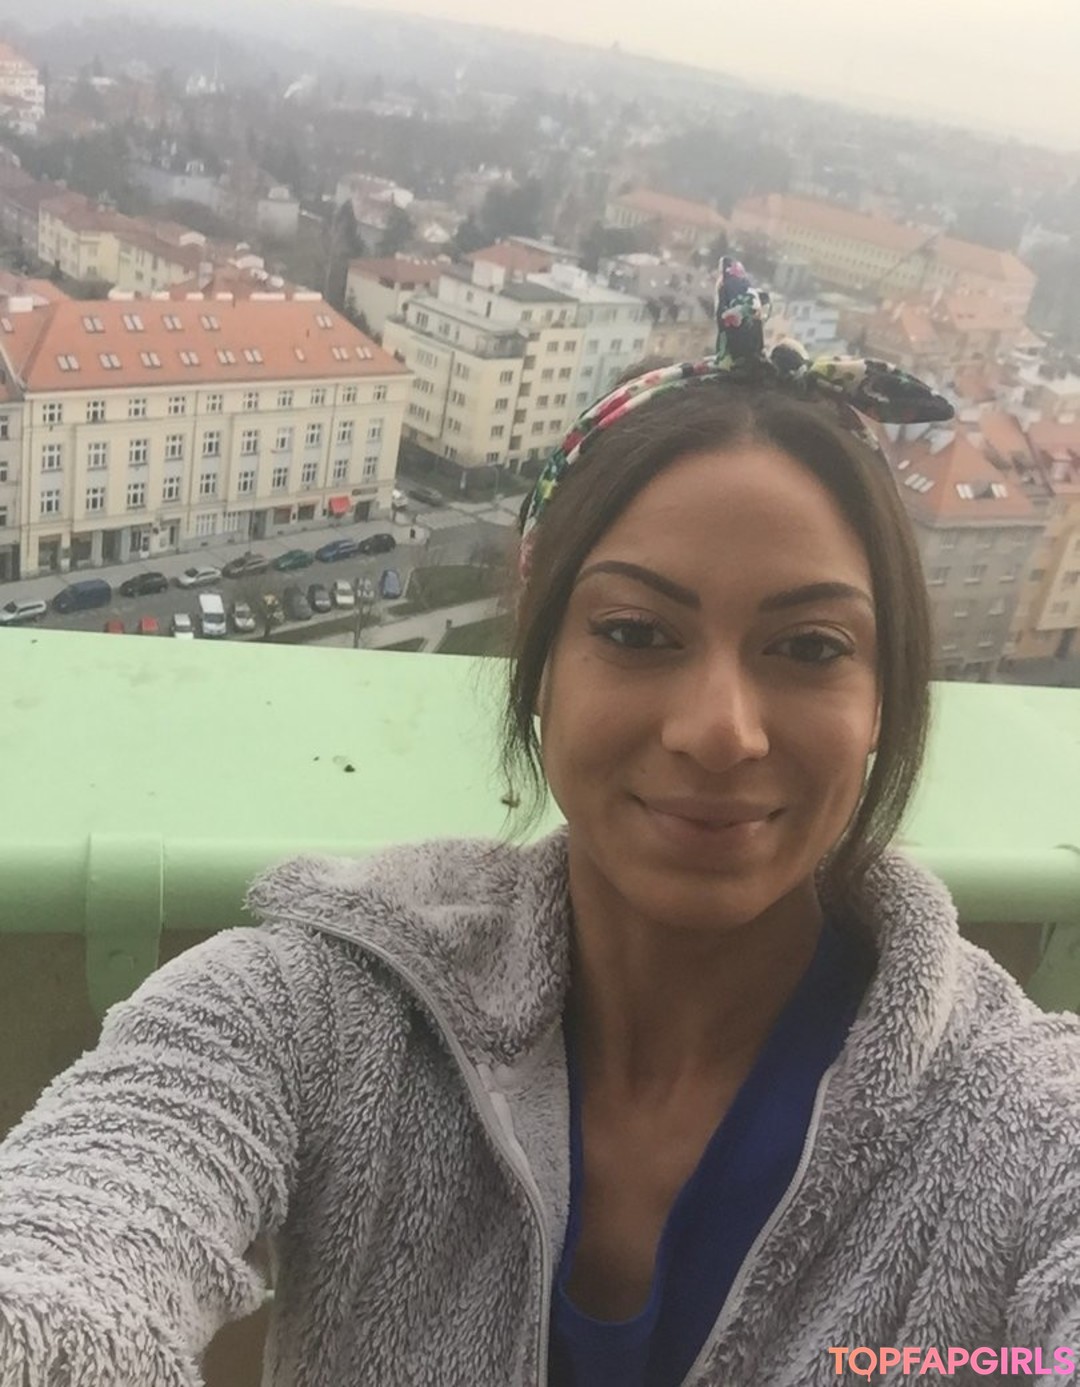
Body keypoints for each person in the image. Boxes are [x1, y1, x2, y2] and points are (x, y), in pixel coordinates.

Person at [2, 269, 1080, 1387]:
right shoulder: (330, 1008)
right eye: (638, 632)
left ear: (884, 698)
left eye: (810, 647)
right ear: (539, 668)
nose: (720, 731)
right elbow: (81, 1237)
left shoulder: (1019, 1123)